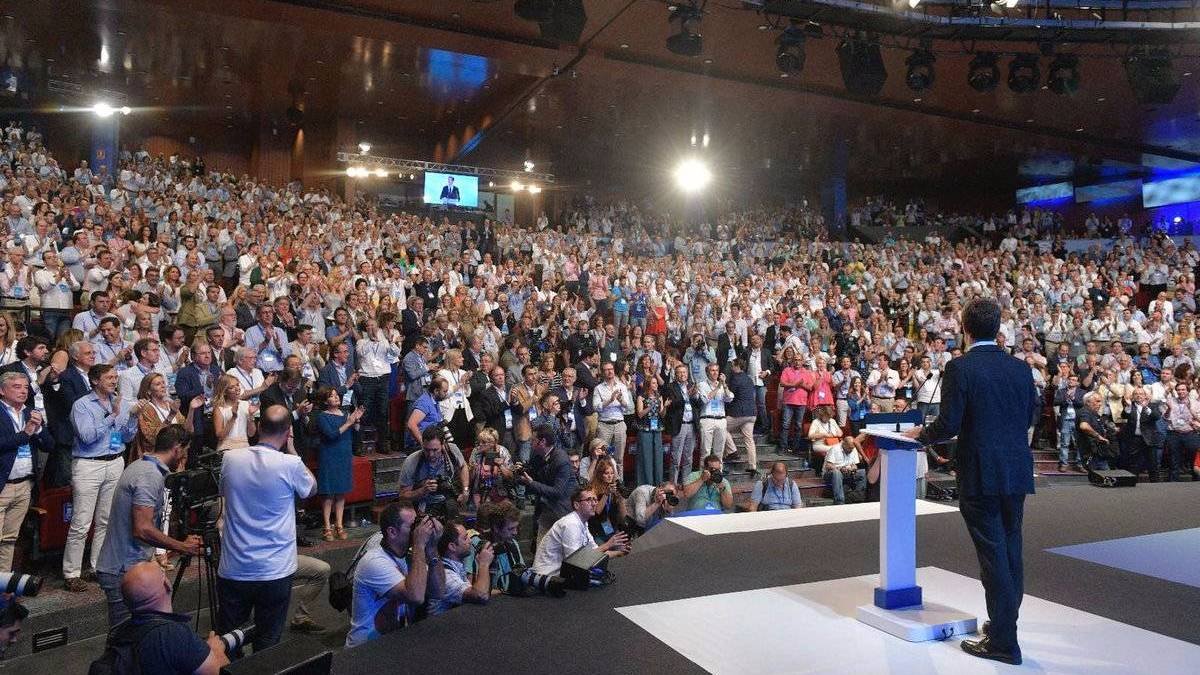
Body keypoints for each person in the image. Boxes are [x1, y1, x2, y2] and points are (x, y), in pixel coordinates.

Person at [905, 297, 1039, 665]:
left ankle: (1004, 644)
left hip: (981, 472)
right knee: (1011, 551)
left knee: (993, 556)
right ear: (998, 327)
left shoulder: (960, 368)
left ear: (964, 328)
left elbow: (947, 424)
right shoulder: (1020, 368)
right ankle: (1003, 628)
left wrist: (920, 437)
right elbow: (1030, 417)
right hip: (1015, 470)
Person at [217, 404, 317, 652]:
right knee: (268, 643)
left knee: (229, 643)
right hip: (274, 569)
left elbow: (224, 492)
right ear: (287, 432)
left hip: (236, 567)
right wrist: (293, 451)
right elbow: (311, 488)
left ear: (259, 428)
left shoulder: (230, 458)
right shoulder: (290, 464)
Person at [95, 425, 203, 627]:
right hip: (122, 568)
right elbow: (142, 528)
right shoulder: (149, 475)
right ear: (177, 448)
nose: (184, 459)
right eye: (185, 452)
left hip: (130, 565)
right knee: (123, 639)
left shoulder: (143, 467)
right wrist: (181, 546)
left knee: (136, 635)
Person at [64, 364, 142, 592]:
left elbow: (126, 437)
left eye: (116, 377)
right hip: (89, 465)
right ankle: (71, 573)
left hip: (115, 460)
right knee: (81, 522)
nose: (114, 381)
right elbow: (87, 436)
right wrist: (114, 415)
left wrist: (131, 419)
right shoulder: (82, 405)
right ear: (95, 380)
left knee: (106, 519)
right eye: (109, 377)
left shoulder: (118, 401)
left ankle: (97, 567)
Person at [95, 562, 228, 674]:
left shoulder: (120, 633)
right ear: (166, 584)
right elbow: (218, 671)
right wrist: (215, 650)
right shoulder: (173, 635)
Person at [346, 500, 443, 648]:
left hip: (392, 645)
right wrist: (419, 545)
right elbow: (416, 596)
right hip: (364, 651)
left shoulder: (409, 557)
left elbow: (438, 591)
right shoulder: (374, 561)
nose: (418, 530)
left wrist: (432, 549)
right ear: (392, 532)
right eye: (413, 526)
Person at [0, 371, 53, 572]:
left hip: (24, 486)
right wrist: (25, 434)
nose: (23, 391)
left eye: (25, 387)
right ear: (2, 391)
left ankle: (3, 589)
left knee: (10, 540)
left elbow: (49, 445)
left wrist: (38, 430)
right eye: (16, 387)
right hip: (2, 485)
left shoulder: (30, 413)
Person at [531, 487, 629, 578]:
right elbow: (576, 561)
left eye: (595, 500)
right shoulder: (570, 524)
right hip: (546, 577)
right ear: (576, 505)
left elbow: (595, 553)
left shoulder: (583, 522)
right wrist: (607, 545)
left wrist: (620, 552)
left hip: (561, 575)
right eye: (589, 500)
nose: (594, 503)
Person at [315, 385, 363, 541]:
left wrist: (356, 421)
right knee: (328, 494)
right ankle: (327, 526)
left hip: (344, 455)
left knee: (341, 493)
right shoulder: (322, 416)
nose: (336, 397)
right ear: (325, 400)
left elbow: (353, 433)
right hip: (329, 456)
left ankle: (339, 524)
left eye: (337, 395)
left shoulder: (345, 414)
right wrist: (349, 422)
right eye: (331, 395)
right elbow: (331, 435)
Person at [519, 423, 577, 541]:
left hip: (560, 511)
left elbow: (557, 492)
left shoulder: (561, 460)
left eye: (533, 440)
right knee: (541, 548)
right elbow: (532, 474)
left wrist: (531, 483)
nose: (530, 442)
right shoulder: (537, 455)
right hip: (545, 508)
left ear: (542, 441)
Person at [427, 522, 494, 615]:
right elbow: (480, 595)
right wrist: (484, 564)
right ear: (452, 546)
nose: (470, 541)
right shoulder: (446, 574)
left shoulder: (457, 566)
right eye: (465, 538)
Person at [397, 426, 469, 512]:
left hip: (448, 500)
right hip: (423, 505)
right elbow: (402, 496)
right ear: (422, 444)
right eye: (427, 450)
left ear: (443, 445)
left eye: (435, 450)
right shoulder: (411, 461)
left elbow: (463, 466)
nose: (431, 455)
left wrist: (465, 489)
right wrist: (422, 490)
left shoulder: (452, 450)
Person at [592, 361, 633, 483]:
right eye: (606, 369)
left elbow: (627, 406)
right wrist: (610, 400)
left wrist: (620, 400)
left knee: (619, 458)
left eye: (611, 369)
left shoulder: (622, 386)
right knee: (604, 458)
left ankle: (619, 485)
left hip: (619, 424)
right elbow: (596, 407)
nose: (609, 371)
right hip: (604, 425)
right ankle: (603, 486)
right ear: (603, 372)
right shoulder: (598, 388)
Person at [663, 364, 699, 485]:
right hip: (679, 425)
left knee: (689, 457)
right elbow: (672, 405)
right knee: (675, 457)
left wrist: (695, 396)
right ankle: (673, 484)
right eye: (680, 373)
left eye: (684, 372)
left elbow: (697, 405)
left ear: (687, 374)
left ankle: (686, 482)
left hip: (691, 425)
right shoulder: (671, 387)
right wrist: (687, 395)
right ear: (676, 374)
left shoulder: (691, 386)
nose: (682, 375)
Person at [722, 358, 758, 475]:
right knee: (749, 439)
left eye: (732, 365)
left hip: (739, 412)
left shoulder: (735, 379)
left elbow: (730, 397)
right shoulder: (749, 379)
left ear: (737, 366)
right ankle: (752, 465)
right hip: (752, 413)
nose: (731, 367)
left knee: (722, 427)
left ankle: (732, 451)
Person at [586, 456, 628, 544]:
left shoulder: (615, 488)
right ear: (600, 475)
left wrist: (621, 498)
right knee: (605, 553)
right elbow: (597, 511)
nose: (610, 476)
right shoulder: (593, 489)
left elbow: (623, 516)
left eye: (612, 473)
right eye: (606, 473)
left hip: (610, 528)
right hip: (596, 530)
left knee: (623, 549)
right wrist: (606, 494)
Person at [212, 374, 256, 452]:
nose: (237, 389)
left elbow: (251, 434)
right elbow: (220, 436)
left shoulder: (246, 404)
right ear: (225, 392)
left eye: (237, 385)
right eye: (232, 387)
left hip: (244, 445)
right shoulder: (219, 409)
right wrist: (233, 417)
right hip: (226, 447)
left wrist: (251, 416)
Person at [634, 377, 664, 487]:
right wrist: (649, 407)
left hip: (657, 429)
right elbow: (640, 414)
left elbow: (662, 414)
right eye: (653, 383)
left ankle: (658, 484)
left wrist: (664, 407)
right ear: (648, 384)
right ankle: (646, 485)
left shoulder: (659, 396)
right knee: (646, 457)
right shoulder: (641, 397)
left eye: (656, 383)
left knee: (658, 457)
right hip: (644, 429)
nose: (656, 385)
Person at [822, 435, 865, 505]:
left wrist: (852, 468)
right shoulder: (835, 449)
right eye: (849, 448)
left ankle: (857, 497)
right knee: (837, 473)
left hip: (847, 472)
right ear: (843, 444)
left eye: (852, 448)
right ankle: (839, 501)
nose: (851, 450)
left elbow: (855, 465)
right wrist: (840, 469)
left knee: (862, 473)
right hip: (831, 474)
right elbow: (828, 465)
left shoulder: (853, 449)